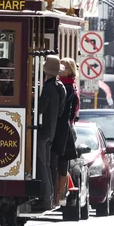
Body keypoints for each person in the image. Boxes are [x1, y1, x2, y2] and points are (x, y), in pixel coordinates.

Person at [33, 55, 66, 211]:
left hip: (43, 130)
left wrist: (32, 110)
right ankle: (50, 198)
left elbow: (41, 108)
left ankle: (46, 199)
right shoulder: (61, 87)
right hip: (51, 130)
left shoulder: (49, 87)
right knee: (46, 165)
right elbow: (59, 111)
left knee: (42, 165)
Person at [51, 58, 79, 206]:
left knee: (62, 163)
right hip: (62, 126)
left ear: (70, 70)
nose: (61, 68)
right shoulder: (62, 84)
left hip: (63, 128)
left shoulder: (67, 87)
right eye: (60, 65)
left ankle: (58, 196)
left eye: (65, 66)